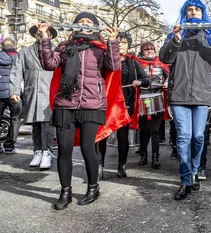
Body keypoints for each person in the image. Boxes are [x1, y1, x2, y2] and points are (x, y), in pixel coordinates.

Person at [37, 14, 122, 210]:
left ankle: (93, 188)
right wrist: (44, 37)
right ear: (75, 26)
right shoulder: (66, 48)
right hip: (66, 104)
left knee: (87, 148)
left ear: (95, 27)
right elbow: (48, 64)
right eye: (81, 22)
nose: (84, 25)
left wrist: (112, 42)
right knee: (64, 150)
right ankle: (65, 192)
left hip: (92, 104)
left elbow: (114, 66)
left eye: (89, 22)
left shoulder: (100, 49)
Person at [159, 0, 211, 200]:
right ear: (185, 13)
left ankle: (194, 170)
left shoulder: (209, 37)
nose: (194, 12)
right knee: (183, 137)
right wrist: (176, 39)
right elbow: (164, 58)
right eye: (190, 10)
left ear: (203, 13)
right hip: (179, 96)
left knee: (198, 137)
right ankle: (186, 179)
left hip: (201, 95)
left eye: (197, 9)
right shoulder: (175, 36)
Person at [97, 32, 150, 179]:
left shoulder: (133, 62)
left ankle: (121, 165)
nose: (120, 44)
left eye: (124, 42)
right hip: (105, 104)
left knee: (123, 137)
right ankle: (100, 164)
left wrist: (140, 82)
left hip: (124, 105)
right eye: (118, 41)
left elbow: (147, 80)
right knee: (102, 135)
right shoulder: (104, 59)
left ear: (128, 46)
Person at [10, 25, 56, 169]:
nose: (40, 35)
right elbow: (17, 71)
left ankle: (47, 151)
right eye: (37, 33)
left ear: (50, 36)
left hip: (50, 91)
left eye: (44, 32)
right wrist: (14, 90)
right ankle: (37, 151)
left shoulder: (56, 50)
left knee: (47, 123)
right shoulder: (25, 51)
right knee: (35, 124)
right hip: (32, 91)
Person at [135, 41, 169, 168]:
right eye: (146, 49)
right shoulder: (137, 63)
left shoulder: (160, 63)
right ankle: (143, 155)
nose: (149, 51)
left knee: (155, 130)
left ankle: (155, 157)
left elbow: (170, 76)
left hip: (157, 96)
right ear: (142, 51)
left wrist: (167, 82)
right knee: (143, 130)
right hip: (142, 97)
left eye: (151, 49)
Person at [0, 38, 22, 154]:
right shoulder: (19, 57)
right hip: (15, 93)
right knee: (15, 119)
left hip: (0, 93)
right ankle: (9, 146)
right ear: (14, 46)